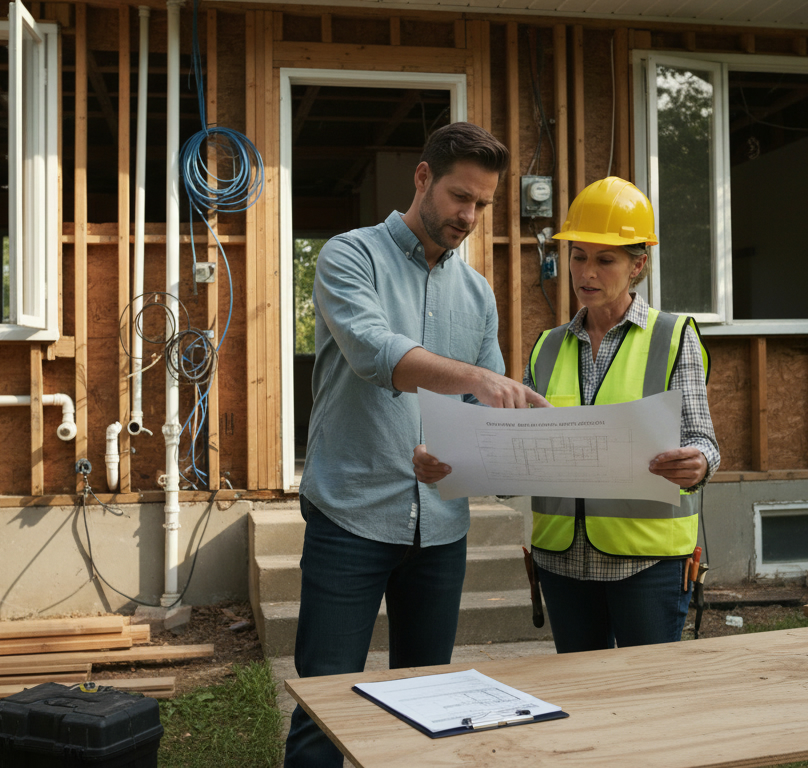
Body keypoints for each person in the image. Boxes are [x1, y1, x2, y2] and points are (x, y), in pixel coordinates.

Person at [286, 122, 549, 768]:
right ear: (423, 177)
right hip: (350, 517)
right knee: (325, 706)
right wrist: (480, 379)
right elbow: (379, 355)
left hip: (439, 530)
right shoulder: (350, 257)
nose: (470, 216)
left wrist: (481, 454)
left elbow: (480, 415)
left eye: (483, 205)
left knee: (430, 706)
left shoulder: (477, 293)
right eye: (461, 197)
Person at [414, 176, 719, 653]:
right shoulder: (548, 346)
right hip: (561, 563)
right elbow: (517, 459)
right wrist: (457, 459)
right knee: (582, 700)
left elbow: (704, 442)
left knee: (650, 699)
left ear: (638, 265)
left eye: (605, 259)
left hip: (647, 562)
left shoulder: (674, 336)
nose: (586, 273)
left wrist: (698, 463)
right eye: (578, 256)